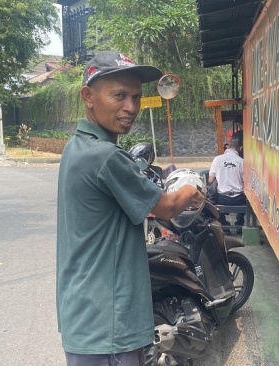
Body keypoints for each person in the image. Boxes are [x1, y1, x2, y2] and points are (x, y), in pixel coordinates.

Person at [56, 51, 204, 366]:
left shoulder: (77, 147)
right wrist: (193, 186)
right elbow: (166, 206)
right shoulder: (105, 157)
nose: (131, 107)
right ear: (88, 96)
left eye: (136, 97)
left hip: (86, 315)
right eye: (119, 96)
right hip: (108, 320)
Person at [208, 134, 245, 234]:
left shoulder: (217, 159)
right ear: (240, 148)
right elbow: (246, 182)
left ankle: (225, 225)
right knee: (249, 199)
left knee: (211, 200)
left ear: (228, 146)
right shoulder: (242, 162)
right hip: (239, 199)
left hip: (222, 198)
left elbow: (210, 180)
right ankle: (240, 223)